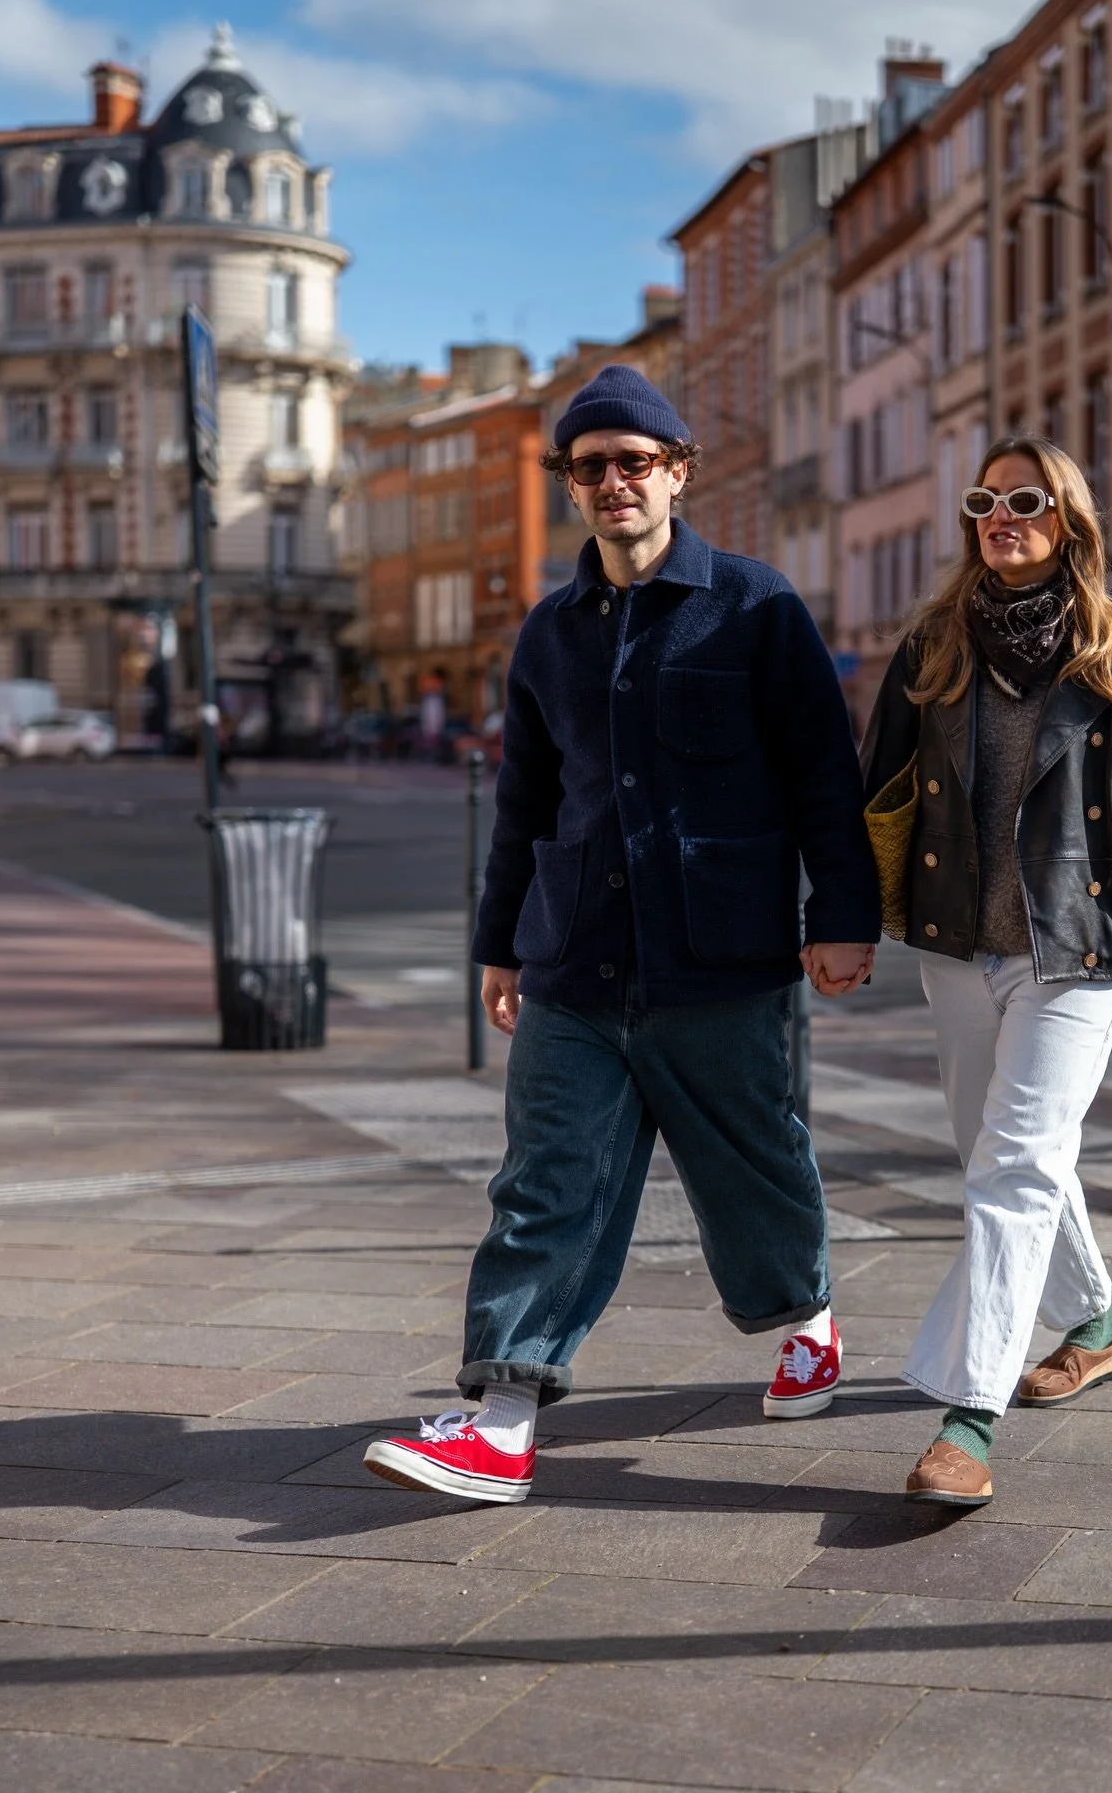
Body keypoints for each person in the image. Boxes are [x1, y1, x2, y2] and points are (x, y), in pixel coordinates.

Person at [364, 365, 881, 1505]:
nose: (612, 482)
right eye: (588, 466)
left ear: (677, 474)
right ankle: (501, 1416)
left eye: (633, 462)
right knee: (546, 1182)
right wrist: (501, 943)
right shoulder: (550, 632)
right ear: (570, 485)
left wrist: (841, 916)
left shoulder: (755, 606)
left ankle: (808, 1314)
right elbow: (525, 802)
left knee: (753, 1162)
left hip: (724, 955)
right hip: (575, 959)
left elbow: (821, 779)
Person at [861, 435, 1112, 1509]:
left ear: (1070, 521)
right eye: (985, 500)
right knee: (1007, 1155)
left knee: (1012, 1166)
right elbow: (872, 798)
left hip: (1080, 951)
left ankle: (968, 1416)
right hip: (958, 945)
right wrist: (842, 917)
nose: (1003, 515)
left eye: (1027, 500)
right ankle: (1091, 1323)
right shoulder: (933, 650)